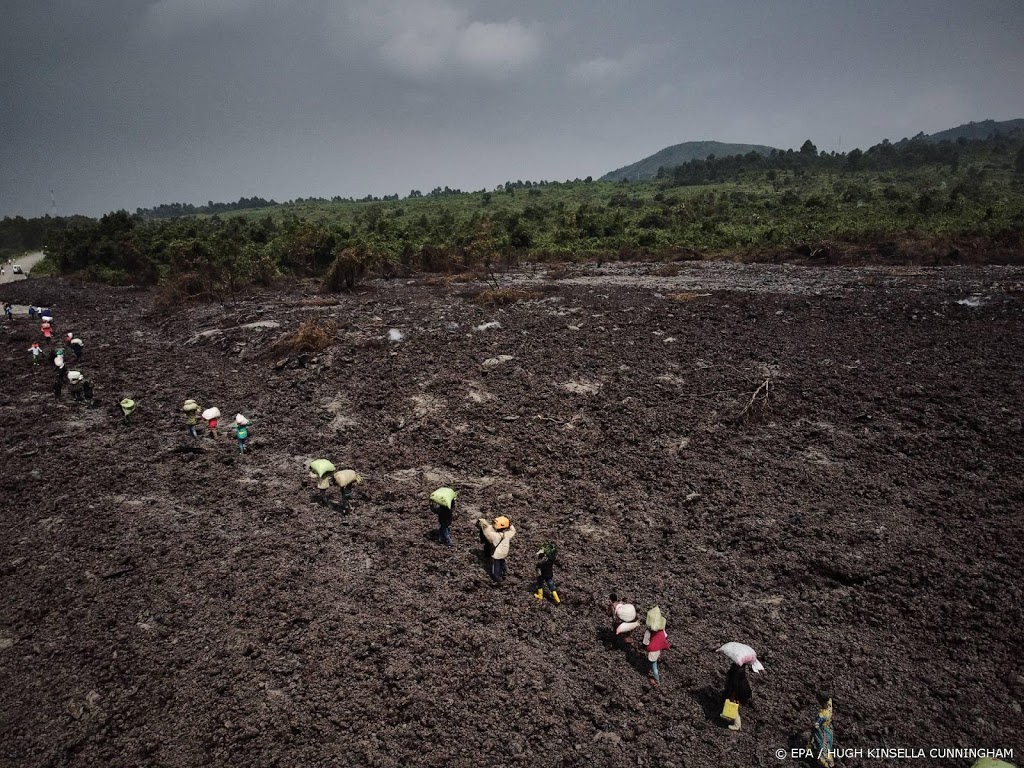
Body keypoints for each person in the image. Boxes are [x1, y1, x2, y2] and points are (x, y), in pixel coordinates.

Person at [477, 516, 515, 583]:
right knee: (502, 561)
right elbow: (513, 531)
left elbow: (487, 534)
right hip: (505, 551)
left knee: (496, 565)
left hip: (497, 553)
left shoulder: (494, 535)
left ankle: (496, 577)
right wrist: (510, 525)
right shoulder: (507, 534)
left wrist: (484, 526)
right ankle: (504, 572)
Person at [642, 606, 670, 686]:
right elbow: (665, 636)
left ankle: (657, 681)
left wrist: (644, 646)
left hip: (653, 650)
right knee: (654, 660)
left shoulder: (648, 632)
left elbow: (645, 642)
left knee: (654, 666)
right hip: (660, 646)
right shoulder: (662, 630)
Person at [722, 662, 754, 731]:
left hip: (740, 692)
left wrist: (733, 697)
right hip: (743, 691)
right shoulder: (741, 672)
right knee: (734, 704)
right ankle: (728, 716)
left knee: (733, 706)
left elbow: (735, 687)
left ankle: (737, 725)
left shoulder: (737, 674)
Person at [809, 692, 835, 767]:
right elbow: (829, 697)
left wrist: (804, 729)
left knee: (823, 750)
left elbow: (816, 725)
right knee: (828, 747)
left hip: (822, 732)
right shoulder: (829, 704)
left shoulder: (822, 714)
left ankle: (827, 764)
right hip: (829, 729)